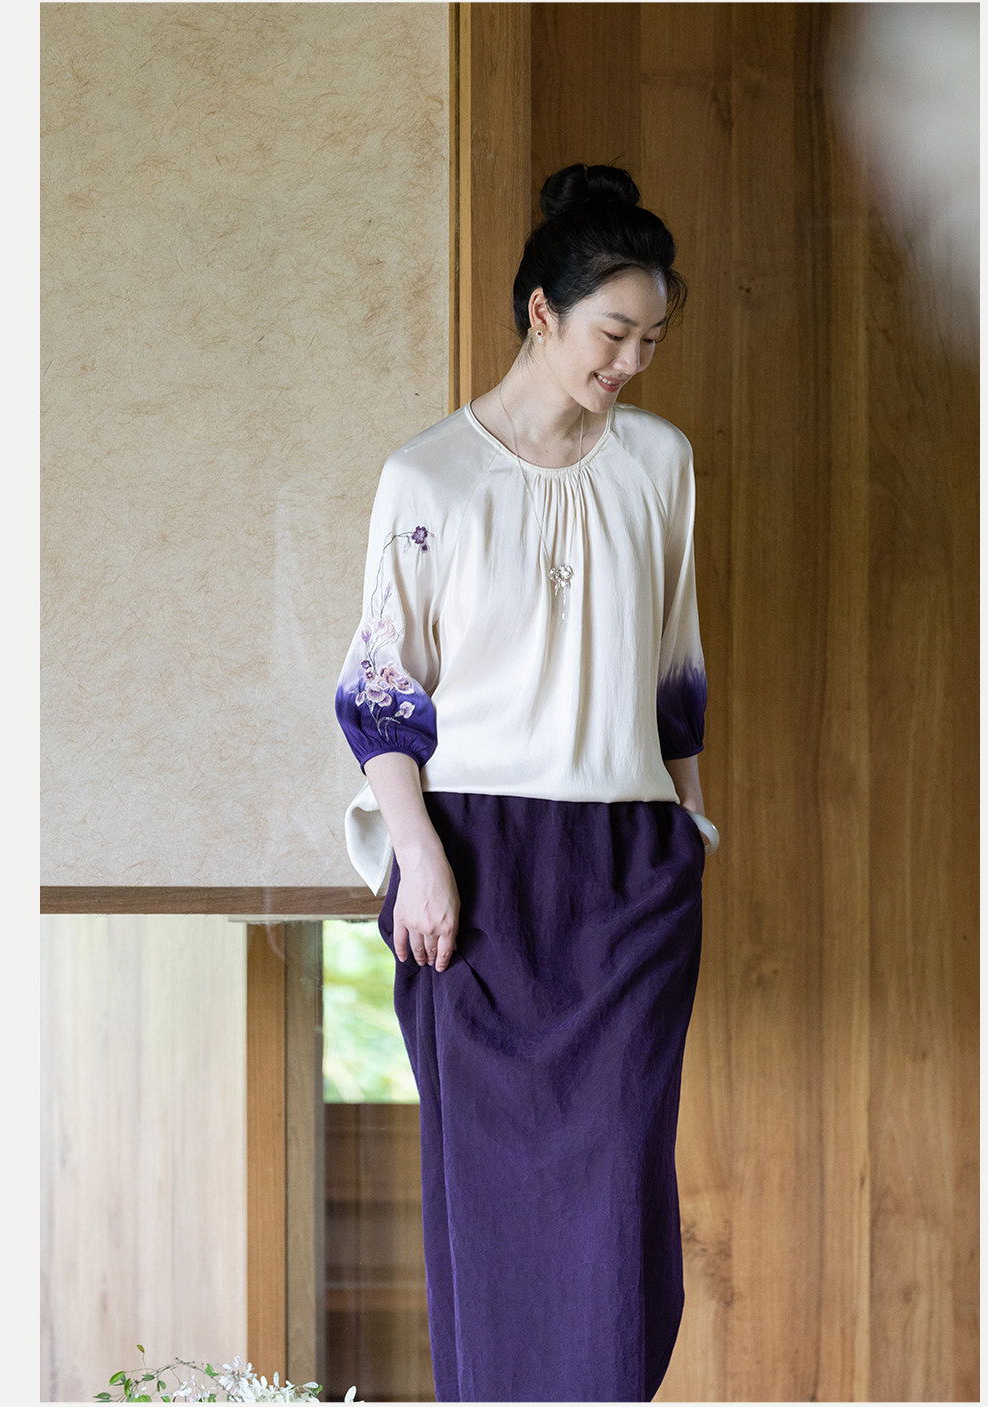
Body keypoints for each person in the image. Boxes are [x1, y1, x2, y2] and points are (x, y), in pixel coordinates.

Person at [334, 163, 717, 1403]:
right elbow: (381, 694)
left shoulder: (660, 463)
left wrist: (688, 828)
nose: (633, 361)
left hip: (628, 868)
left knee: (616, 1204)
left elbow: (675, 671)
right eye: (614, 332)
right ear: (542, 313)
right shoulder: (429, 480)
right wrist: (420, 860)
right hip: (475, 870)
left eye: (652, 338)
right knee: (491, 1202)